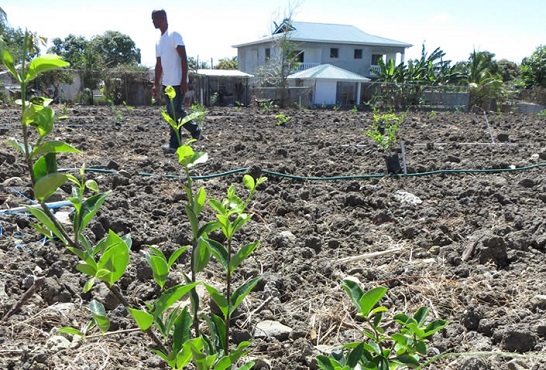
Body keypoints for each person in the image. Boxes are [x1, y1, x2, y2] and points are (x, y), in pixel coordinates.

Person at [151, 9, 203, 153]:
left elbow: (184, 58)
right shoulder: (158, 42)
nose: (153, 22)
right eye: (152, 20)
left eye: (154, 19)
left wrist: (184, 80)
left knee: (176, 111)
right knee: (172, 114)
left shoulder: (174, 35)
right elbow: (158, 65)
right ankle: (175, 145)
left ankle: (196, 130)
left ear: (163, 18)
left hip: (178, 82)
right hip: (167, 84)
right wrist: (156, 84)